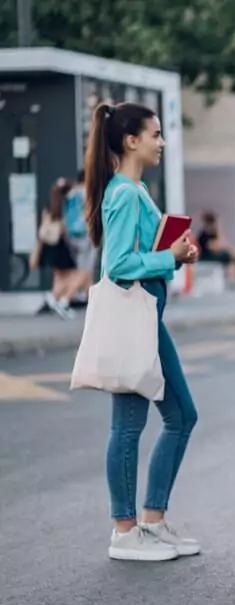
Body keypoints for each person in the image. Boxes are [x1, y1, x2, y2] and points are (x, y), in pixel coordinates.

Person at [84, 102, 200, 562]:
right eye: (155, 134)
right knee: (129, 426)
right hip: (134, 319)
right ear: (131, 140)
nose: (161, 141)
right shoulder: (125, 194)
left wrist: (175, 252)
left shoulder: (132, 189)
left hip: (147, 318)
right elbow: (117, 266)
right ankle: (124, 532)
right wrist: (170, 257)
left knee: (182, 416)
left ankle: (152, 521)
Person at [32, 178, 78, 319]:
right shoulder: (66, 207)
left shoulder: (49, 207)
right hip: (61, 245)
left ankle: (53, 298)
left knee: (59, 276)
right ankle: (55, 300)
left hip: (50, 245)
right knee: (71, 275)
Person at [65, 169, 96, 303]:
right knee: (85, 269)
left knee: (84, 268)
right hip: (85, 234)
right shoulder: (86, 193)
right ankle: (65, 299)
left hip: (72, 235)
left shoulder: (71, 193)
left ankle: (90, 298)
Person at [196, 210, 235, 288]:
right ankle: (232, 278)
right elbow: (215, 247)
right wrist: (219, 230)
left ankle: (232, 278)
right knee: (229, 255)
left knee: (230, 256)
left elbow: (221, 243)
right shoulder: (205, 234)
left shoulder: (212, 233)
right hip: (206, 256)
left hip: (212, 254)